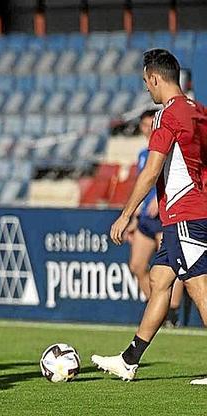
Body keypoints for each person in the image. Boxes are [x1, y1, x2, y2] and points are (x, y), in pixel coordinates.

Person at [94, 48, 207, 385]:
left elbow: (150, 170)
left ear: (156, 79)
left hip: (186, 214)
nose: (147, 89)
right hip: (186, 214)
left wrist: (125, 215)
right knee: (160, 282)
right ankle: (129, 360)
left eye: (147, 82)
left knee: (199, 289)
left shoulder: (168, 115)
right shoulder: (198, 111)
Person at [125, 110, 185, 326]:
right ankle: (156, 310)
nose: (147, 130)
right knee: (137, 265)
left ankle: (171, 314)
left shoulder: (168, 150)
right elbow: (143, 185)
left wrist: (161, 199)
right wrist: (133, 217)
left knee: (171, 267)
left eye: (151, 125)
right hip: (145, 221)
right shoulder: (143, 154)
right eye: (143, 126)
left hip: (164, 216)